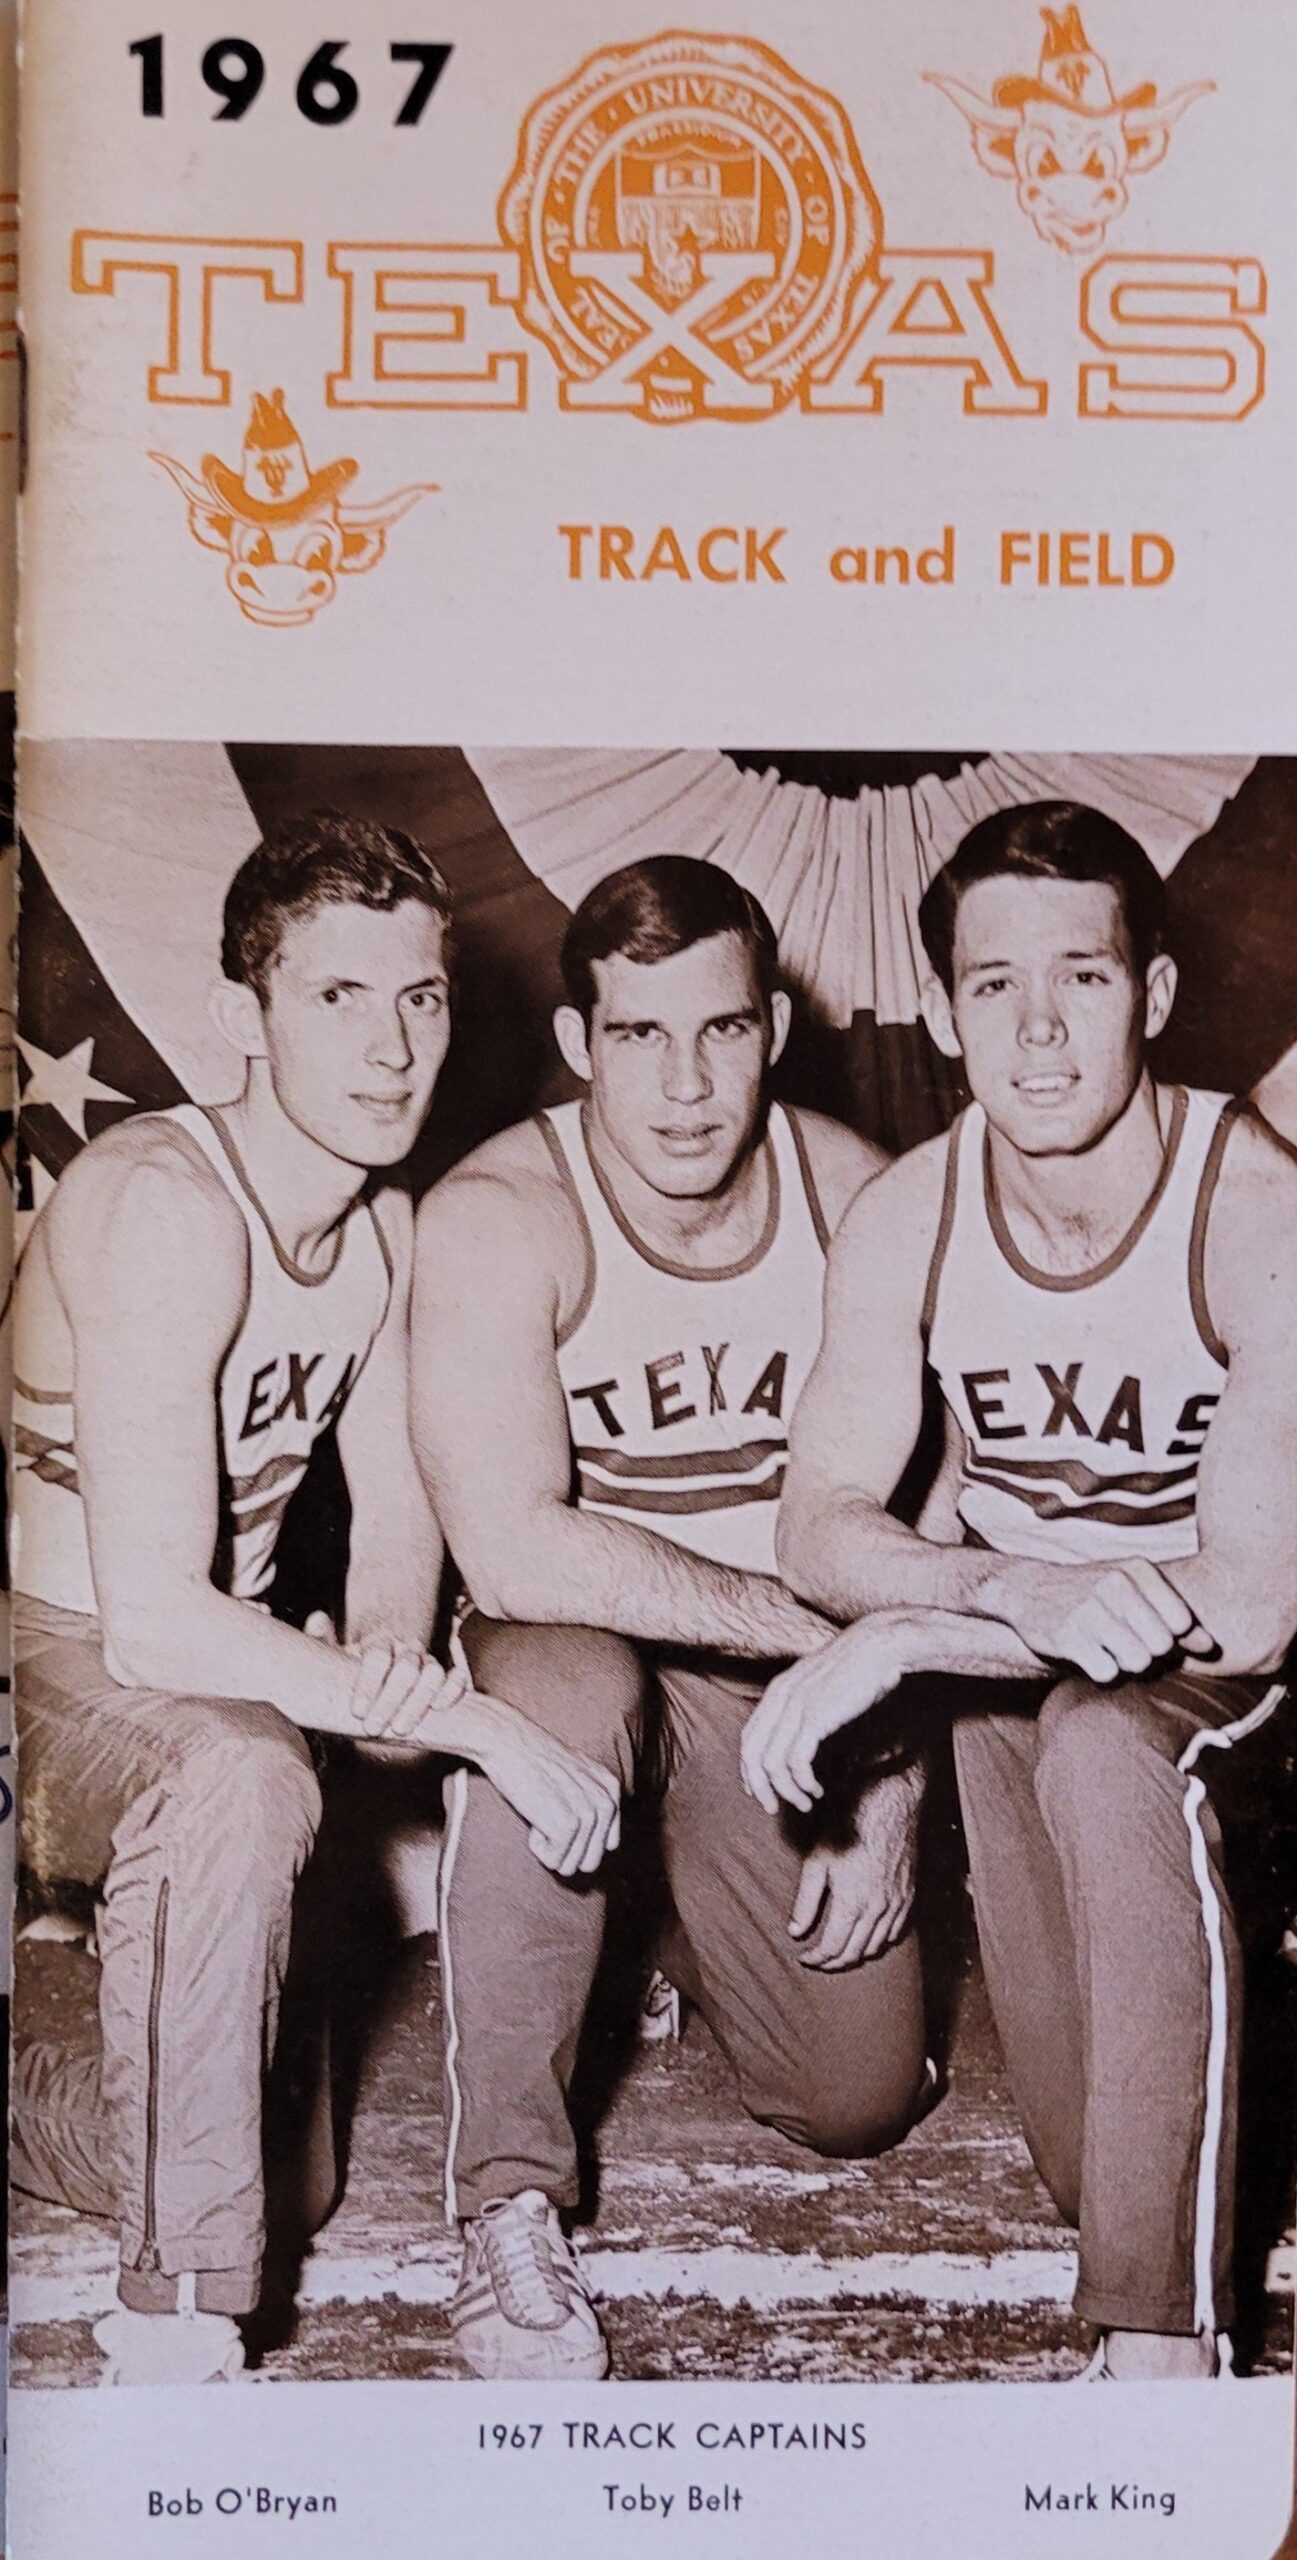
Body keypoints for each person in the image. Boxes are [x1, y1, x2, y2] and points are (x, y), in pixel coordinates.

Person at [11, 812, 619, 2384]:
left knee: (293, 2178)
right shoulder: (166, 1202)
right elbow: (149, 1617)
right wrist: (490, 1728)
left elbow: (394, 1565)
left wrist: (406, 1675)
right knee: (239, 1770)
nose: (393, 1045)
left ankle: (57, 2074)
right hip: (54, 1674)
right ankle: (180, 2327)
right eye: (339, 997)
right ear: (244, 1017)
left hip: (206, 1681)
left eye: (418, 997)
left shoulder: (384, 1230)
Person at [745, 800, 1297, 2380]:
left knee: (1109, 1742)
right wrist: (1003, 1599)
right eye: (994, 986)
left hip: (1227, 1683)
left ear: (1157, 997)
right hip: (1027, 1659)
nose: (1039, 1032)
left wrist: (922, 1629)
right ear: (943, 1009)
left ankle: (1158, 2353)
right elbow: (818, 1520)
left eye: (1084, 980)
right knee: (1089, 2158)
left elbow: (1252, 1611)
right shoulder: (909, 1210)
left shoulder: (1254, 1210)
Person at [412, 855, 931, 2382]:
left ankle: (654, 1919)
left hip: (786, 1688)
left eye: (718, 1030)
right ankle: (505, 2205)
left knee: (853, 2101)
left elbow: (936, 1539)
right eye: (639, 1036)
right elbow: (513, 1555)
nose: (685, 1085)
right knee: (560, 1704)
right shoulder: (504, 1210)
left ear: (772, 1025)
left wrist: (893, 1767)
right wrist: (819, 1642)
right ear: (581, 1044)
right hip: (583, 1641)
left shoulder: (857, 1195)